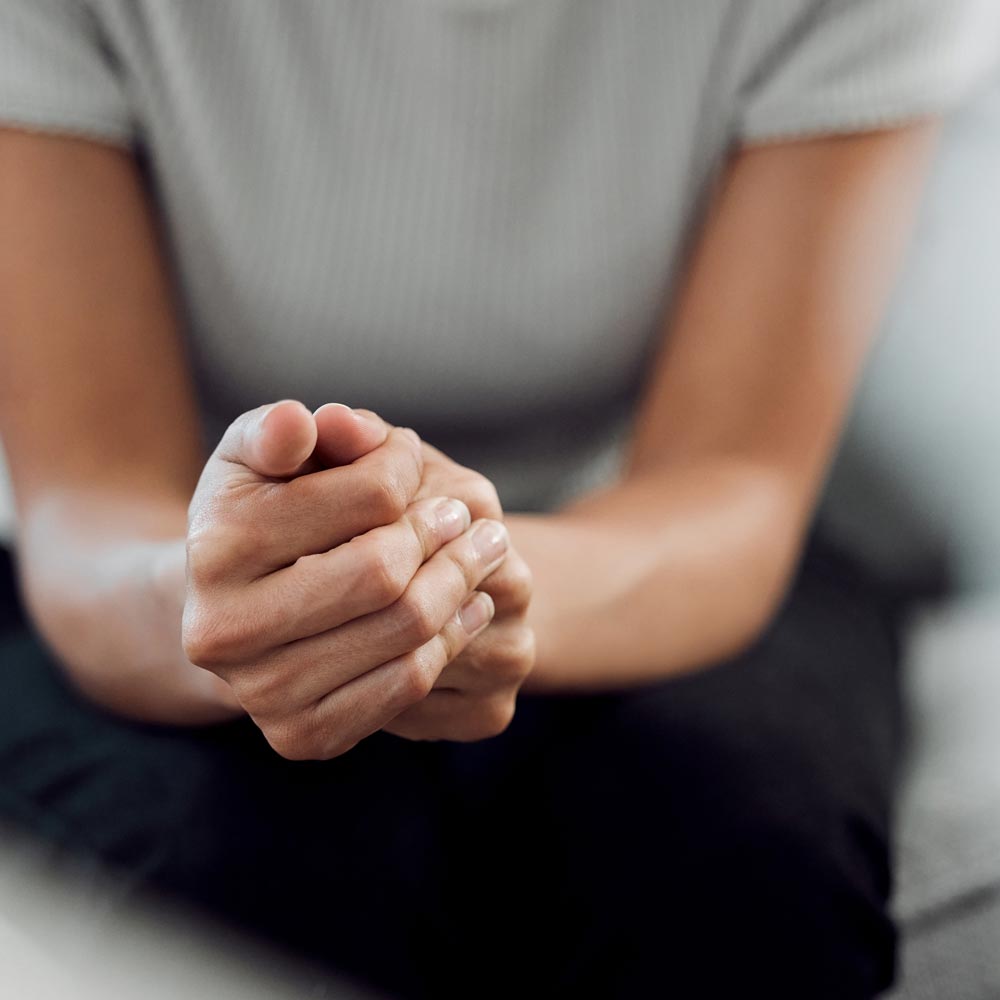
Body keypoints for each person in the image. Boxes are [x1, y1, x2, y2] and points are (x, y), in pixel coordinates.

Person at [0, 2, 996, 997]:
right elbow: (89, 495)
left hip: (638, 533)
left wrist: (460, 582)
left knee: (743, 871)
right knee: (218, 878)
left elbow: (734, 475)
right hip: (158, 551)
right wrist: (230, 601)